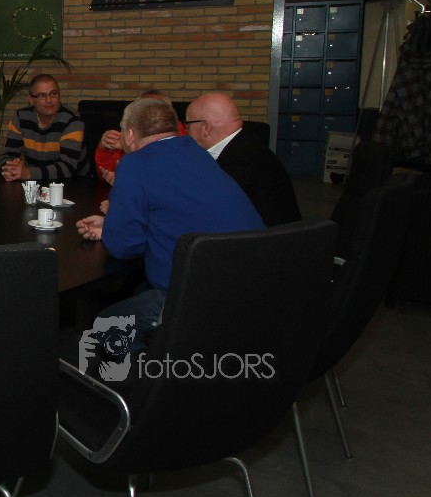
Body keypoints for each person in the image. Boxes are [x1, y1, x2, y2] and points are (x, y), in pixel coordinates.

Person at [76, 97, 264, 349]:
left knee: (104, 326)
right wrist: (111, 224)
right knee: (139, 292)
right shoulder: (197, 152)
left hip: (203, 293)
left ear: (129, 134)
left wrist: (115, 228)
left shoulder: (134, 164)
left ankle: (156, 373)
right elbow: (177, 212)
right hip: (254, 279)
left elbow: (124, 246)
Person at [185, 91, 302, 226]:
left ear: (206, 127)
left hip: (264, 237)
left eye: (188, 124)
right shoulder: (244, 141)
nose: (187, 131)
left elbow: (205, 210)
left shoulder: (242, 162)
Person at [0, 73, 84, 183]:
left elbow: (67, 167)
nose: (49, 100)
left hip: (74, 184)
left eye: (53, 94)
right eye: (42, 95)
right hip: (34, 183)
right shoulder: (21, 116)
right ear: (31, 100)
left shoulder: (72, 119)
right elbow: (7, 155)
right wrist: (10, 169)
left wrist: (28, 173)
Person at [94, 89, 184, 185]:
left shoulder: (181, 139)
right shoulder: (132, 132)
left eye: (154, 109)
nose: (148, 115)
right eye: (142, 110)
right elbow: (105, 174)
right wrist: (104, 149)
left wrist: (129, 146)